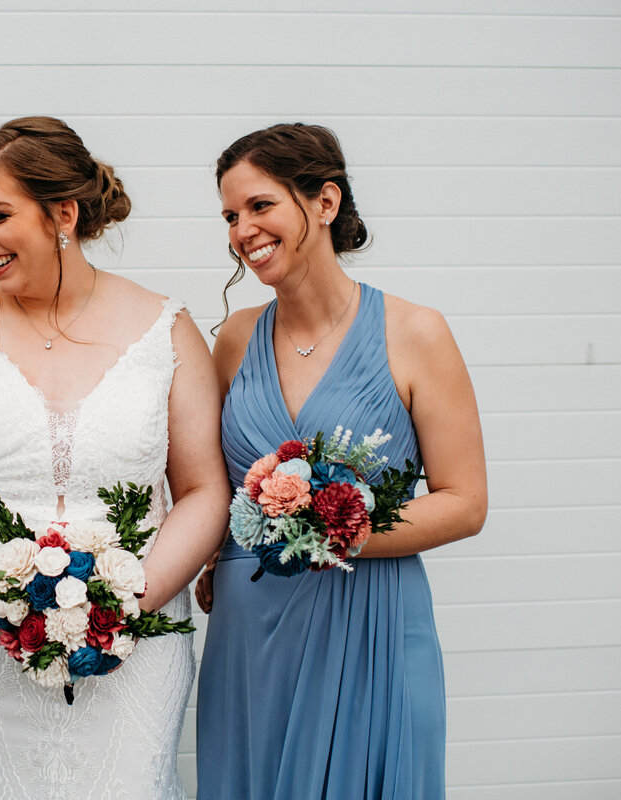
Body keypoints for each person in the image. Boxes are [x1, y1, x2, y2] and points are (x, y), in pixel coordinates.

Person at [0, 116, 230, 800]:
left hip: (133, 651)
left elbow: (203, 492)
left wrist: (127, 604)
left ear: (62, 215)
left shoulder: (168, 328)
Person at [194, 123, 488, 798]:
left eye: (260, 206)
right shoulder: (235, 339)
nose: (243, 230)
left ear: (325, 203)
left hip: (371, 621)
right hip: (252, 629)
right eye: (230, 216)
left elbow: (464, 501)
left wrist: (338, 529)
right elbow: (208, 483)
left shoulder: (416, 333)